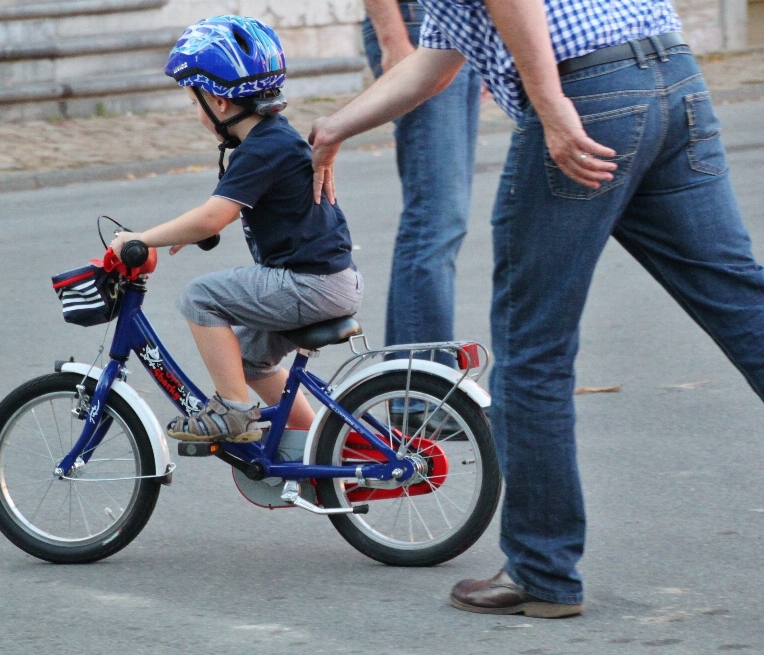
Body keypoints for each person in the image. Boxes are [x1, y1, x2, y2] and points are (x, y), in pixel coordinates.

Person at [309, 0, 764, 618]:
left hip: (584, 92)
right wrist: (335, 127)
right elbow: (435, 66)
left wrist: (549, 106)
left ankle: (541, 569)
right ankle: (541, 565)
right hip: (672, 77)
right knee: (741, 302)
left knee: (532, 348)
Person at [111, 15, 363, 443]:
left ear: (219, 102)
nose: (197, 112)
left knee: (200, 297)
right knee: (248, 360)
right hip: (328, 280)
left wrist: (141, 238)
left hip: (309, 284)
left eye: (195, 102)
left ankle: (232, 411)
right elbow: (222, 214)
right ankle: (313, 443)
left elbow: (214, 216)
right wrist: (187, 233)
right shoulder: (271, 140)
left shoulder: (262, 149)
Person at [362, 0, 480, 361]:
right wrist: (392, 38)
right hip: (416, 25)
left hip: (462, 29)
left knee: (439, 220)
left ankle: (410, 385)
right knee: (436, 219)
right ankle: (421, 390)